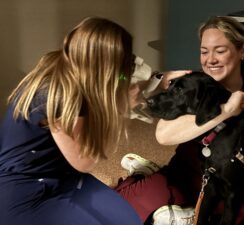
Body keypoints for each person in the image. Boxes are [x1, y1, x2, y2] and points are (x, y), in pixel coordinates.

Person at [115, 16, 244, 225]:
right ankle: (147, 175)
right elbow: (163, 136)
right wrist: (225, 110)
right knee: (121, 207)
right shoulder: (192, 85)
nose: (210, 59)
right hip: (188, 176)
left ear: (242, 51)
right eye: (204, 51)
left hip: (237, 185)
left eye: (220, 51)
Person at [0, 17, 143, 225]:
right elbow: (85, 161)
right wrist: (120, 108)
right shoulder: (58, 95)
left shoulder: (68, 66)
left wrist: (157, 82)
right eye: (123, 66)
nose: (126, 72)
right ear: (105, 66)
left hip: (63, 173)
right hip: (25, 188)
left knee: (130, 221)